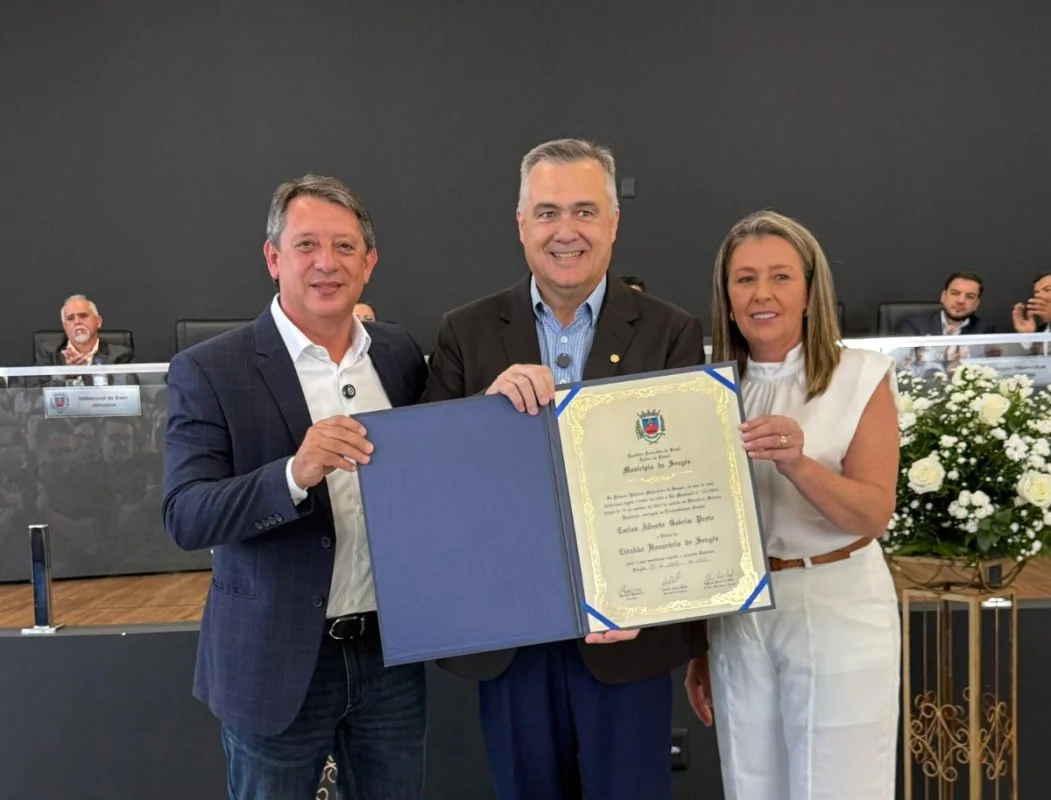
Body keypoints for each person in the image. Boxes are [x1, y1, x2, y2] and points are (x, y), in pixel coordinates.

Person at [424, 138, 707, 800]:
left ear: (613, 222)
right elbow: (433, 478)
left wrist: (653, 597)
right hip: (510, 635)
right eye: (547, 212)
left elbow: (690, 485)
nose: (566, 231)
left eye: (584, 210)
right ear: (520, 223)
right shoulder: (464, 333)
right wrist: (483, 414)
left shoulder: (668, 330)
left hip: (627, 635)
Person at [162, 175, 428, 799]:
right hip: (274, 662)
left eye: (343, 247)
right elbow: (185, 515)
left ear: (369, 264)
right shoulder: (209, 369)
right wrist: (293, 474)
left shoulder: (397, 353)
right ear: (273, 258)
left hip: (391, 655)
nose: (326, 263)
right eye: (306, 244)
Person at [685, 210, 901, 799]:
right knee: (750, 785)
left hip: (838, 603)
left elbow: (872, 514)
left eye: (780, 277)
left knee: (840, 784)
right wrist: (700, 644)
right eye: (744, 278)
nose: (761, 294)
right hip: (741, 612)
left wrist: (799, 465)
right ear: (726, 296)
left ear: (810, 290)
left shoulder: (860, 377)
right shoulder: (709, 386)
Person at [34, 295, 134, 386]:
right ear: (65, 327)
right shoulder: (49, 353)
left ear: (98, 321)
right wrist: (67, 374)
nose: (77, 322)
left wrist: (83, 372)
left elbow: (127, 396)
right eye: (70, 318)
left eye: (83, 316)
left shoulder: (120, 356)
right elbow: (38, 396)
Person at [895, 271, 995, 335]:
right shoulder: (914, 325)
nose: (961, 301)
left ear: (976, 304)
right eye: (955, 293)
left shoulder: (984, 330)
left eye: (969, 296)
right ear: (943, 296)